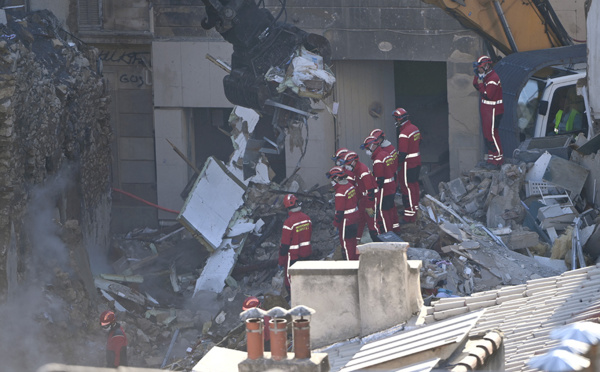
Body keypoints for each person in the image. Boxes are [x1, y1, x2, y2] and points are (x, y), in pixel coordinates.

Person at [362, 135, 400, 234]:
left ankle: (388, 235)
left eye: (367, 148)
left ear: (372, 146)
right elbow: (392, 170)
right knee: (391, 209)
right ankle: (395, 229)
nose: (366, 151)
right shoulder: (386, 154)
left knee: (384, 213)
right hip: (392, 187)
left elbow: (379, 179)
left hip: (385, 190)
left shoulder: (378, 160)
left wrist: (375, 192)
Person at [473, 55, 504, 169]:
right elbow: (476, 85)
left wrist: (480, 84)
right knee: (487, 135)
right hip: (487, 110)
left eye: (480, 67)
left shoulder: (493, 79)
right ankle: (491, 159)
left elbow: (487, 95)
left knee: (492, 135)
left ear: (486, 66)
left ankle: (498, 159)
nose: (478, 70)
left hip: (493, 110)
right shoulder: (487, 77)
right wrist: (477, 79)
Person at [342, 151, 379, 243]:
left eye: (347, 164)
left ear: (353, 162)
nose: (346, 167)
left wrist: (370, 206)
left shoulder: (362, 171)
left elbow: (370, 189)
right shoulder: (356, 170)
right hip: (364, 198)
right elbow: (359, 187)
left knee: (372, 222)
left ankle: (378, 241)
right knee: (361, 219)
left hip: (371, 198)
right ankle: (357, 241)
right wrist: (356, 200)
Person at [279, 194, 312, 293]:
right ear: (297, 203)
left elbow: (284, 246)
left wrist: (281, 262)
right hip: (307, 254)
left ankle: (293, 302)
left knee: (291, 283)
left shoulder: (288, 223)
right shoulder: (307, 218)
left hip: (293, 257)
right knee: (305, 279)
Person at [393, 108, 422, 224]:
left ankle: (409, 216)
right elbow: (420, 142)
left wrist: (395, 164)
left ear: (399, 119)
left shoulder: (404, 134)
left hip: (407, 165)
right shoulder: (415, 128)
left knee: (407, 190)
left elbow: (403, 153)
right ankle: (414, 210)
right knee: (414, 187)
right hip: (417, 162)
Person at [326, 166, 359, 260]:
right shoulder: (350, 186)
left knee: (347, 244)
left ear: (336, 178)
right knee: (353, 243)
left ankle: (350, 267)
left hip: (346, 221)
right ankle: (356, 262)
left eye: (332, 179)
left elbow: (339, 211)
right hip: (355, 218)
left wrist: (335, 224)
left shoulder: (340, 192)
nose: (331, 181)